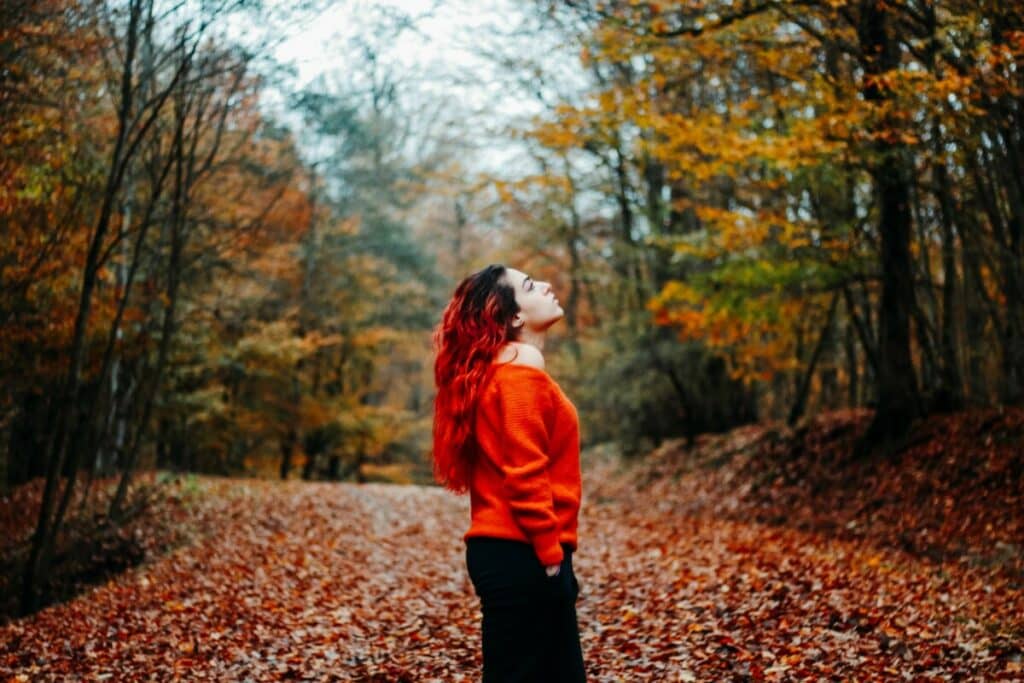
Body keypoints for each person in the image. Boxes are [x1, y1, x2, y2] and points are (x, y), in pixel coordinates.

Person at [432, 264, 586, 682]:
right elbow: (525, 472)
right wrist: (552, 557)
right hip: (524, 553)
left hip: (513, 554)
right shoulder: (519, 375)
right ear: (514, 316)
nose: (548, 286)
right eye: (531, 286)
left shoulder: (504, 373)